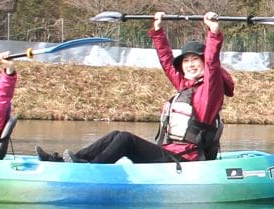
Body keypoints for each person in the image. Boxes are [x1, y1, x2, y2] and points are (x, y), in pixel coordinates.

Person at [61, 12, 235, 165]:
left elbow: (212, 63)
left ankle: (91, 169)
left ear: (204, 62)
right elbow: (167, 63)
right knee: (116, 134)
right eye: (186, 61)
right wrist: (158, 30)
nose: (190, 65)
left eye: (195, 60)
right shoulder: (185, 86)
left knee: (126, 139)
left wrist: (213, 32)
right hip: (169, 153)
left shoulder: (210, 91)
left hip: (185, 160)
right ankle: (68, 160)